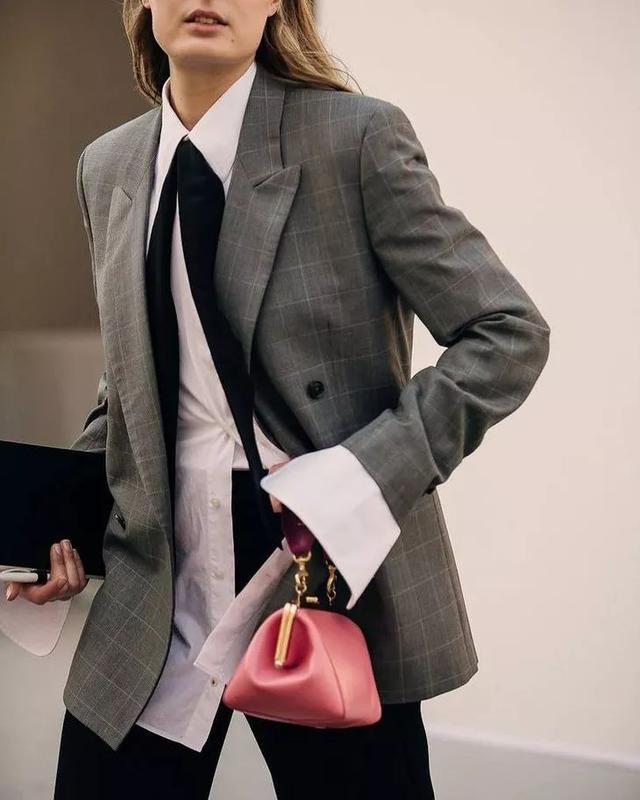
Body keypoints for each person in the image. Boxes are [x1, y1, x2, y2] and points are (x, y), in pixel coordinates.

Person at [3, 0, 551, 797]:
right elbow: (128, 384)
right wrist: (62, 529)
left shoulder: (353, 139)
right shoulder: (107, 164)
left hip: (319, 566)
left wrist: (360, 477)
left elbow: (507, 333)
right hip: (156, 576)